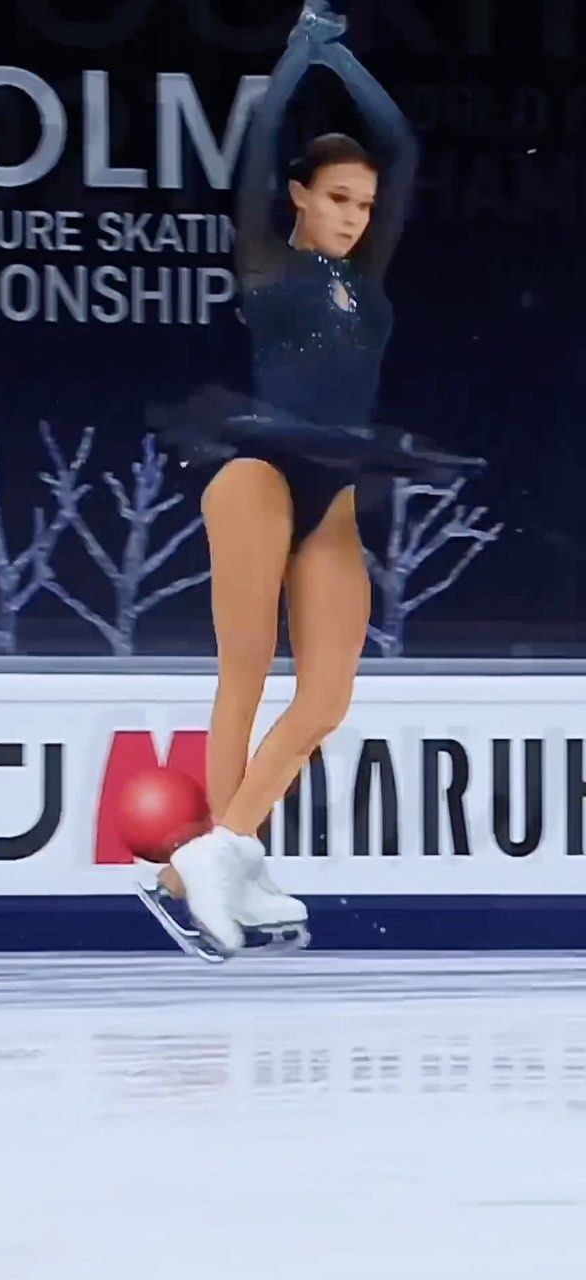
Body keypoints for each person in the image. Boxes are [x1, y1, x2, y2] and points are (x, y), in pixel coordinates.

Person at [147, 0, 480, 957]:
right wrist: (300, 54)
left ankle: (214, 857)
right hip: (257, 476)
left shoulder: (365, 280)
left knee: (327, 698)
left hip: (330, 493)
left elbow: (401, 149)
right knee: (246, 676)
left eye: (363, 205)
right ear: (299, 195)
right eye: (337, 198)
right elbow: (259, 144)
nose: (353, 216)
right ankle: (220, 865)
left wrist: (343, 59)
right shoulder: (267, 257)